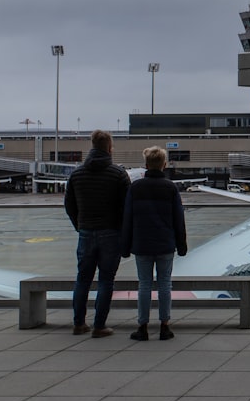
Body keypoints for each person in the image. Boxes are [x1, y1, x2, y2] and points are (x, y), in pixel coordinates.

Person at [64, 129, 131, 338]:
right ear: (110, 148)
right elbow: (127, 207)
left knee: (82, 280)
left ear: (92, 146)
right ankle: (99, 325)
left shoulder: (76, 174)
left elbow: (69, 205)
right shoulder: (118, 174)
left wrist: (79, 224)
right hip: (111, 232)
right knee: (105, 281)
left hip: (86, 232)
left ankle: (78, 323)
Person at [121, 145, 187, 341]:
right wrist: (181, 245)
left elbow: (128, 219)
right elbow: (178, 219)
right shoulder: (170, 188)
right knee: (165, 285)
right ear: (164, 165)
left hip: (142, 244)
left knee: (144, 285)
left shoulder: (135, 188)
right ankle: (165, 326)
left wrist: (125, 246)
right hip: (165, 243)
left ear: (146, 165)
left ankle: (142, 326)